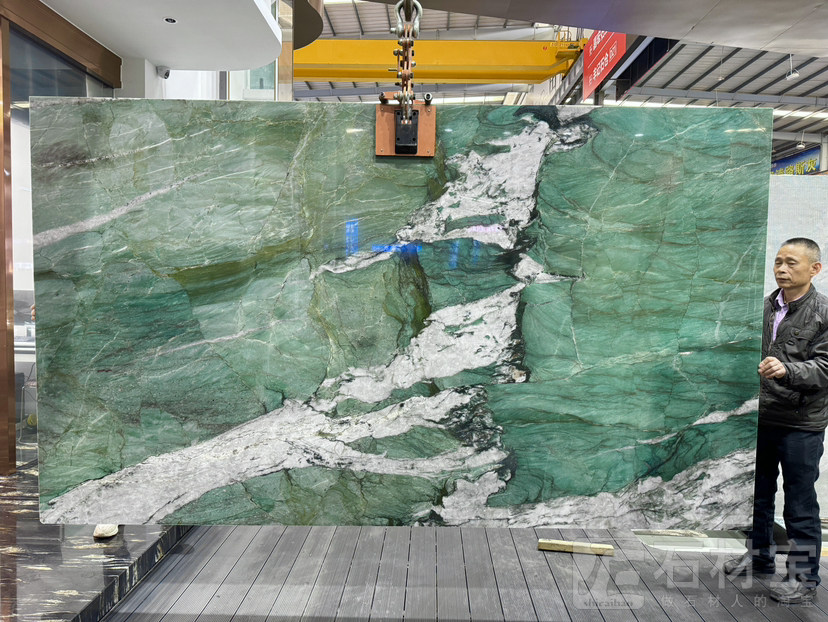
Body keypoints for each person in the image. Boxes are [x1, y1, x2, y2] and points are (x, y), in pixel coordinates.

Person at [723, 237, 828, 604]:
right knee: (758, 493)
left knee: (800, 502)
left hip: (801, 423)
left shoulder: (824, 312)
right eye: (778, 262)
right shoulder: (768, 305)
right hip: (763, 415)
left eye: (791, 263)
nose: (782, 269)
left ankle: (804, 576)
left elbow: (825, 368)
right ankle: (759, 556)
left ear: (814, 269)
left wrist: (787, 370)